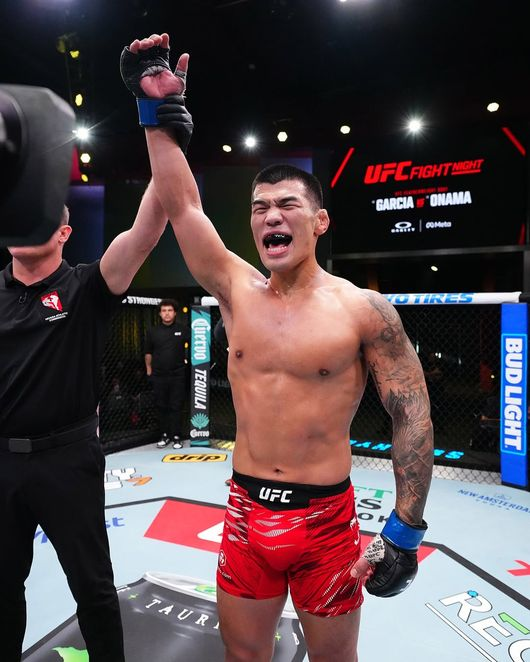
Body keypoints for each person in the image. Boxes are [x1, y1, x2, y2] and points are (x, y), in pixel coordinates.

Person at [121, 33, 434, 662]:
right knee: (243, 657)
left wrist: (405, 527)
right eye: (260, 207)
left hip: (327, 522)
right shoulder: (237, 291)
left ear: (319, 222)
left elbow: (412, 413)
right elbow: (182, 206)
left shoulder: (364, 310)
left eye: (287, 204)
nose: (270, 216)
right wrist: (152, 112)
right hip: (244, 513)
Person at [0, 181, 172, 661]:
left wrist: (163, 142)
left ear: (63, 233)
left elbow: (144, 233)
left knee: (92, 587)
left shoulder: (85, 287)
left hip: (68, 462)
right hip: (2, 463)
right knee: (3, 588)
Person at [145, 297, 190, 448]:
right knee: (161, 406)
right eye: (164, 310)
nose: (167, 313)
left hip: (177, 375)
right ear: (160, 313)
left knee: (176, 406)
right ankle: (164, 435)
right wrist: (149, 370)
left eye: (170, 310)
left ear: (175, 313)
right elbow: (148, 352)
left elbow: (195, 346)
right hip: (158, 375)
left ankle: (176, 436)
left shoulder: (183, 330)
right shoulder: (153, 331)